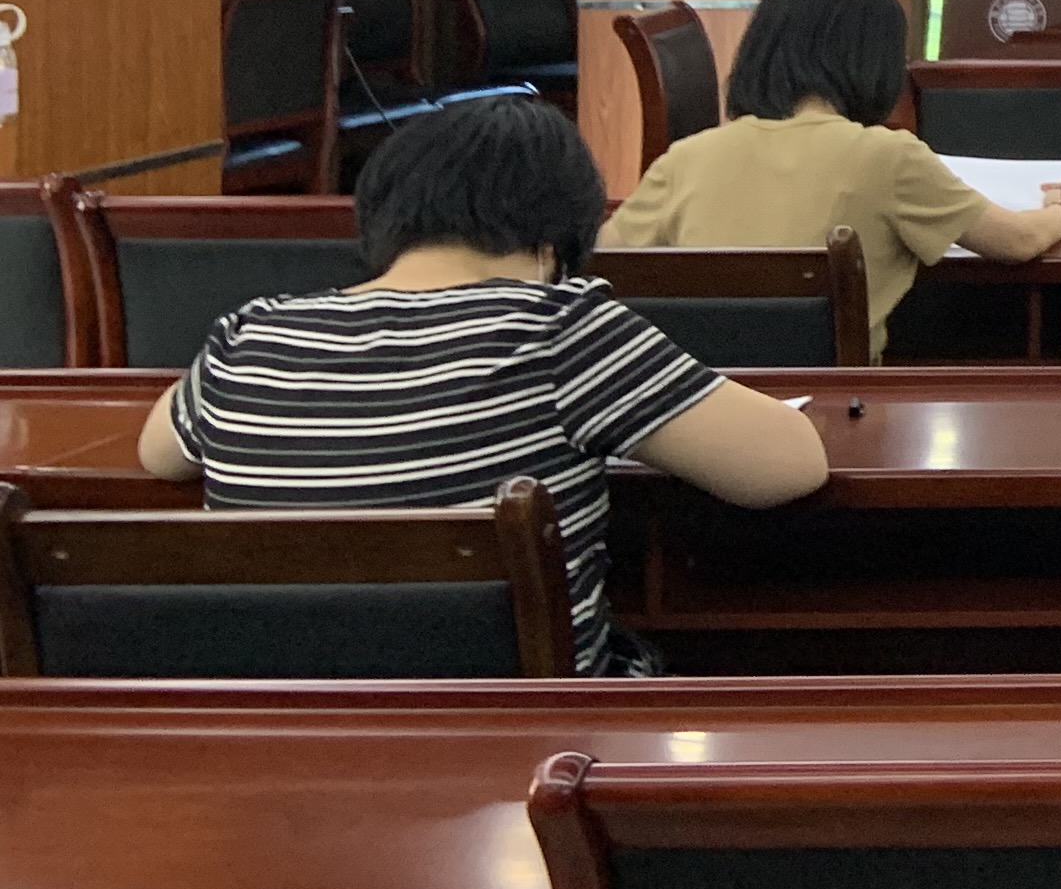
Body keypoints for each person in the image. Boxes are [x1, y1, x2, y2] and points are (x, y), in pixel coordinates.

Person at [138, 93, 829, 674]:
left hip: (291, 737)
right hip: (531, 741)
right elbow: (786, 467)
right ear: (556, 241)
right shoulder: (557, 327)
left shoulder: (250, 335)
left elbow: (159, 454)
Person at [604, 0, 1061, 353]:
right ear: (876, 64)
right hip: (838, 401)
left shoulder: (685, 159)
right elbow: (1017, 242)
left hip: (703, 397)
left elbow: (602, 260)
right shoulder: (888, 157)